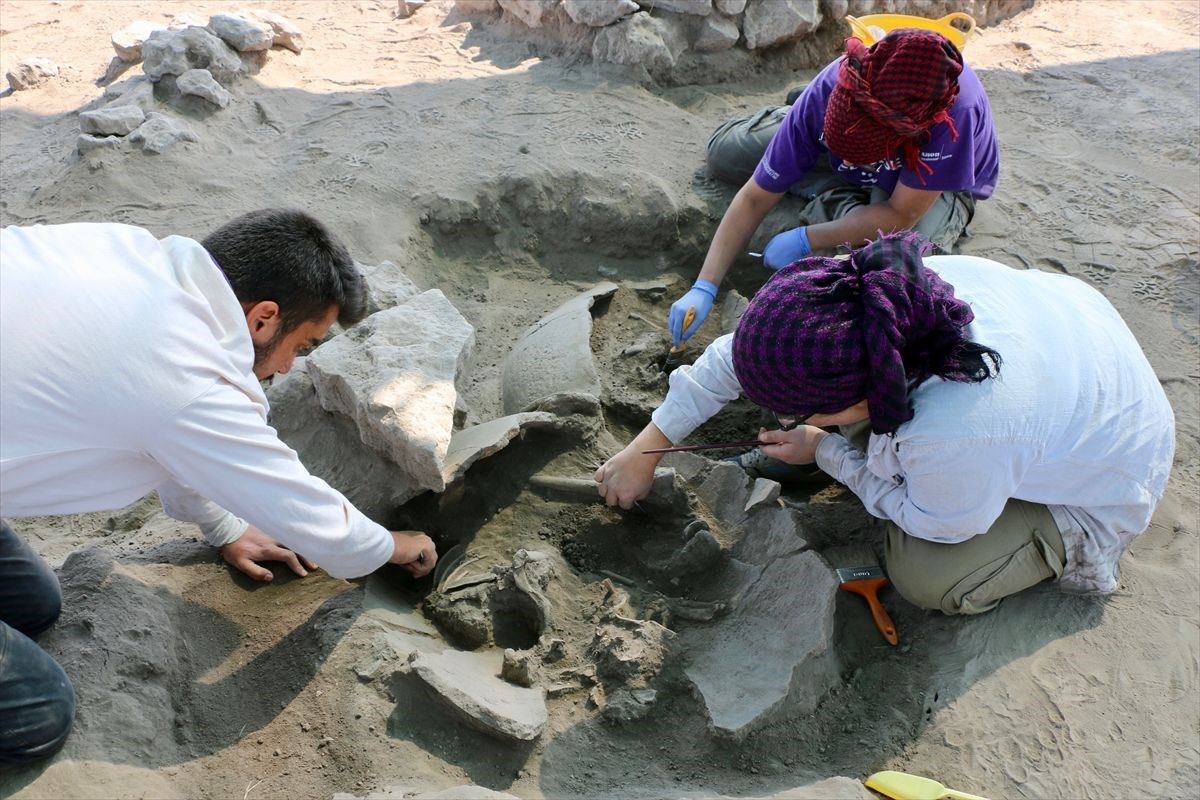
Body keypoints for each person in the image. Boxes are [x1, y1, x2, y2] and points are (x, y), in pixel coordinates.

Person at [0, 210, 438, 765]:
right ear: (264, 319)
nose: (286, 368)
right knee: (36, 711)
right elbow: (319, 525)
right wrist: (398, 545)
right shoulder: (186, 376)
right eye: (302, 346)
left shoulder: (131, 255)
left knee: (34, 606)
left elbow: (168, 432)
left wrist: (225, 523)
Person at [601, 232, 1175, 616]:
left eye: (806, 411)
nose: (789, 416)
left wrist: (827, 453)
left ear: (868, 394)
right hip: (1071, 347)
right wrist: (646, 449)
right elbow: (738, 354)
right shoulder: (877, 296)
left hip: (1107, 475)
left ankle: (1046, 540)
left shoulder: (959, 431)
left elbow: (938, 523)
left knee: (924, 573)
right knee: (849, 425)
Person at [668, 29, 999, 347]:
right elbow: (755, 196)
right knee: (725, 155)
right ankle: (830, 171)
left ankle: (839, 193)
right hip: (843, 147)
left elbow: (901, 212)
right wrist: (705, 286)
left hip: (926, 180)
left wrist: (807, 238)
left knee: (899, 264)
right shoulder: (833, 84)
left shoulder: (954, 117)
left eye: (861, 160)